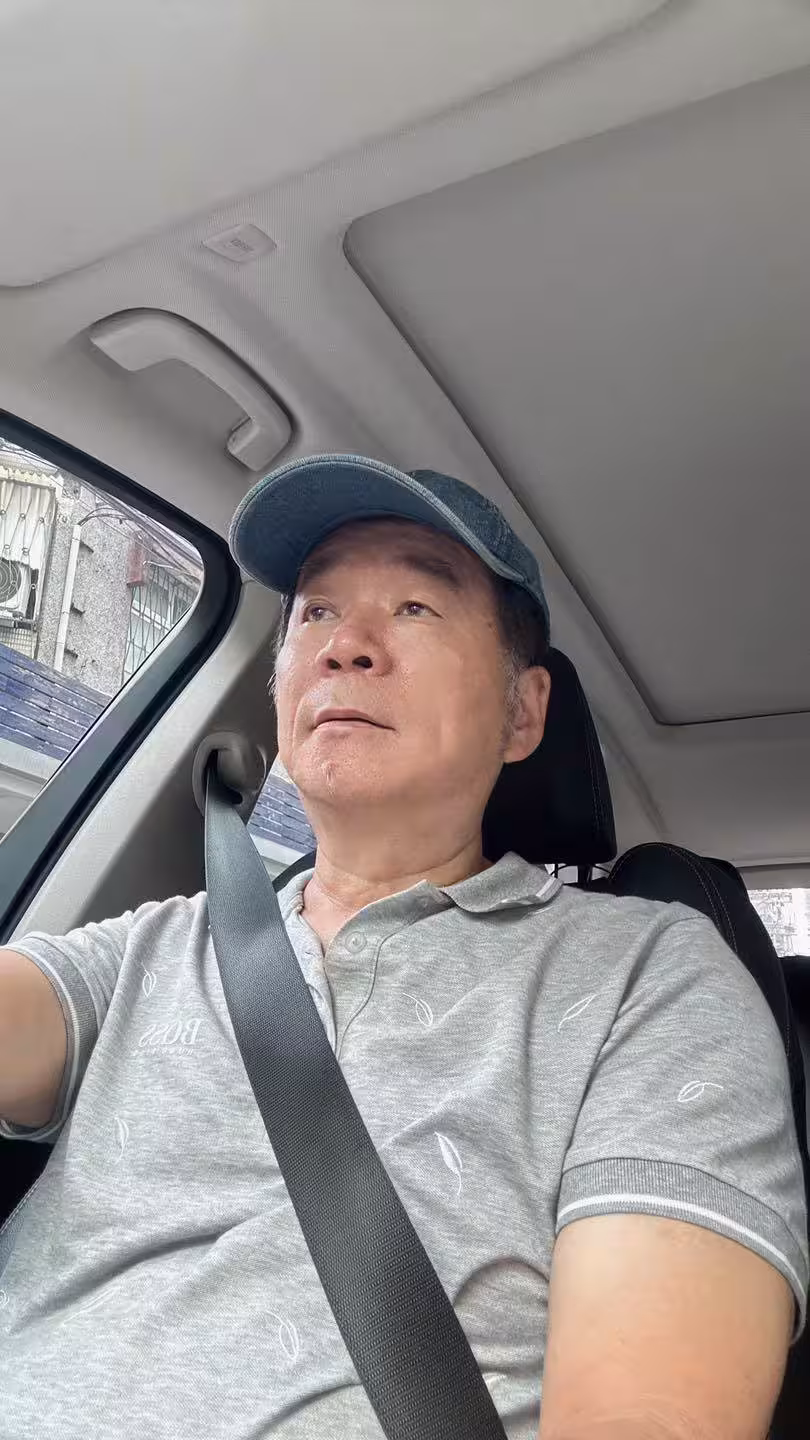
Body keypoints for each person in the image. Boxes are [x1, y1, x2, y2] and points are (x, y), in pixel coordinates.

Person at [0, 453, 806, 1440]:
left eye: (416, 606)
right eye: (317, 612)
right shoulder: (146, 947)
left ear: (522, 713)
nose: (347, 646)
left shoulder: (652, 979)